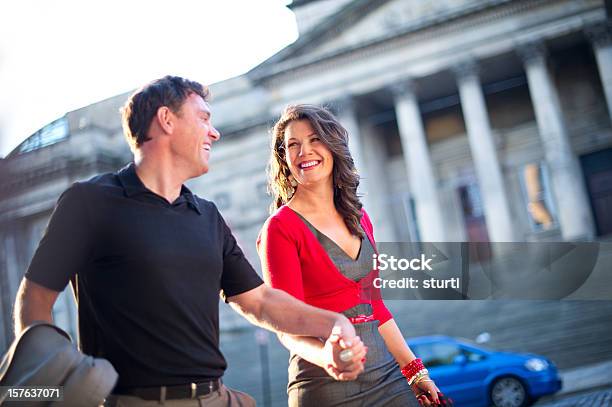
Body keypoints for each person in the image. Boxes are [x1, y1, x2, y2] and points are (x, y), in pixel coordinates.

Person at [13, 76, 367, 406]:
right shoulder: (89, 202)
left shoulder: (207, 215)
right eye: (203, 118)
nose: (213, 133)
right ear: (167, 120)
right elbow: (35, 300)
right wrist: (53, 386)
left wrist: (334, 323)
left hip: (215, 396)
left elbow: (259, 302)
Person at [257, 104, 448, 407]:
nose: (304, 151)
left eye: (314, 139)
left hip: (386, 376)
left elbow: (376, 307)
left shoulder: (359, 218)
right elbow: (286, 327)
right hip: (325, 386)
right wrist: (328, 358)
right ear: (285, 159)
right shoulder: (280, 228)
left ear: (333, 146)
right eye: (292, 145)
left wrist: (415, 372)